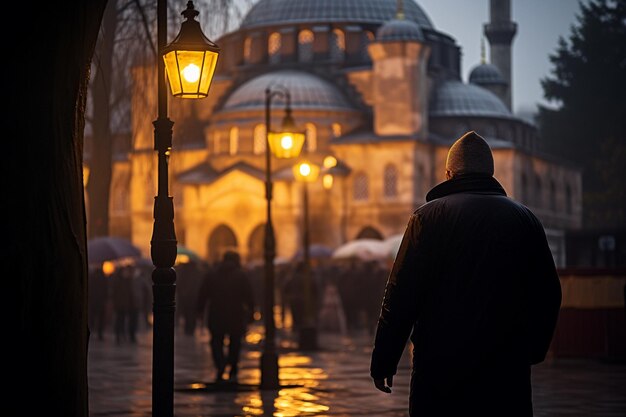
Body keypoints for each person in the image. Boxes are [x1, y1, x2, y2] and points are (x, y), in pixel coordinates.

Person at [370, 131, 562, 416]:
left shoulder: (427, 218)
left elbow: (400, 295)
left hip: (440, 366)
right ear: (490, 173)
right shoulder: (524, 218)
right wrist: (532, 350)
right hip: (506, 367)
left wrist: (385, 360)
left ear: (449, 173)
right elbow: (548, 293)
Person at [197, 251, 254, 382]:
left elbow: (203, 295)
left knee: (216, 341)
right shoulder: (241, 275)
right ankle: (233, 367)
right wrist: (251, 313)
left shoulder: (211, 275)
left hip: (216, 314)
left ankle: (220, 365)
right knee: (235, 342)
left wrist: (200, 312)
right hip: (236, 314)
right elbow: (249, 297)